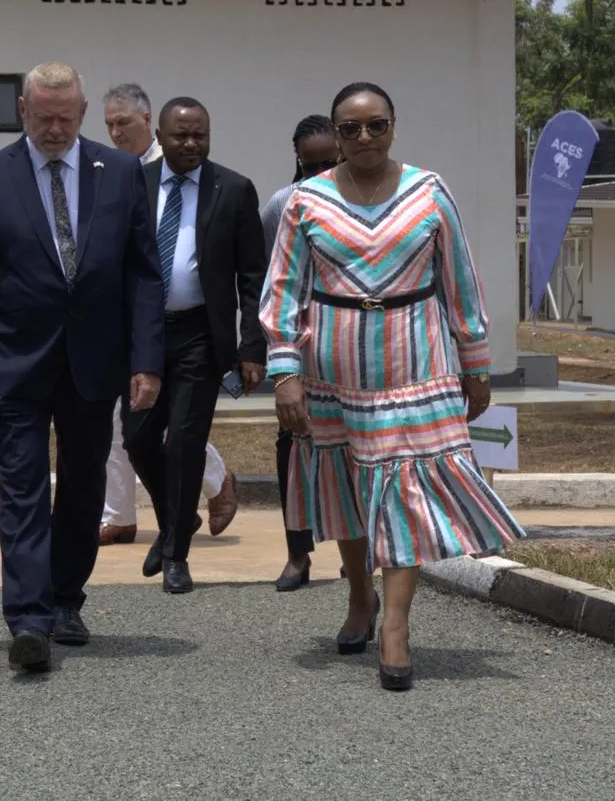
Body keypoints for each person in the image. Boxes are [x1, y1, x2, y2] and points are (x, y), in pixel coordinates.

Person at [262, 81, 524, 692]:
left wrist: (476, 360)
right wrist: (284, 372)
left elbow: (459, 277)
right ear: (333, 134)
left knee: (403, 493)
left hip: (417, 359)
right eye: (349, 128)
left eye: (375, 125)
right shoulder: (306, 202)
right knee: (351, 489)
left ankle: (396, 628)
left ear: (393, 126)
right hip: (332, 368)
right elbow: (283, 291)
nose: (363, 137)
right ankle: (360, 597)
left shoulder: (430, 192)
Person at [0, 62, 164, 673]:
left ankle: (66, 598)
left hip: (95, 361)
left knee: (84, 485)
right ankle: (28, 618)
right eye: (44, 118)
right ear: (23, 109)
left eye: (66, 119)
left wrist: (147, 359)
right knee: (22, 486)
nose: (54, 129)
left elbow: (143, 273)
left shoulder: (120, 172)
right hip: (15, 361)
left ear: (84, 111)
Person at [124, 96, 267, 594]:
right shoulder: (132, 186)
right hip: (142, 334)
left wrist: (253, 346)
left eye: (199, 134)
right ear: (159, 137)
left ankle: (177, 558)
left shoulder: (234, 189)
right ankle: (176, 521)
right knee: (138, 439)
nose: (191, 143)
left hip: (200, 336)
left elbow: (253, 277)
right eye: (180, 135)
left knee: (185, 442)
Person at [98, 83, 238, 546]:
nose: (116, 132)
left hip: (190, 327)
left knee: (179, 428)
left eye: (124, 123)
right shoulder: (119, 175)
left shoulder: (185, 168)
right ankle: (124, 513)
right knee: (127, 425)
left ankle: (210, 487)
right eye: (109, 124)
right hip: (131, 326)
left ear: (147, 122)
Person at [258, 114, 338, 591]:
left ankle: (359, 554)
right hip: (300, 348)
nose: (321, 175)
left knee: (357, 450)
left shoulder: (366, 200)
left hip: (350, 347)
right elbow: (272, 284)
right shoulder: (281, 206)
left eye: (330, 163)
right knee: (292, 446)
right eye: (311, 167)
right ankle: (297, 553)